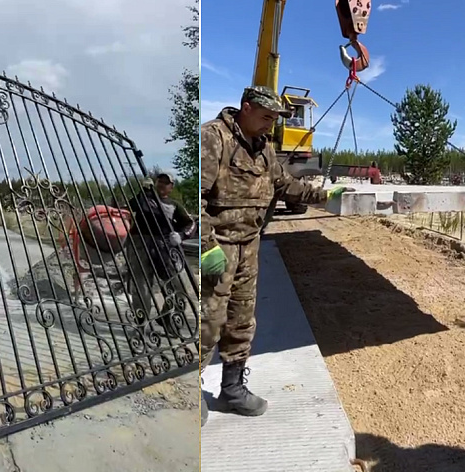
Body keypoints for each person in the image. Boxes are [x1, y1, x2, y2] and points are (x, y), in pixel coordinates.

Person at [199, 85, 353, 426]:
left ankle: (232, 388)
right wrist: (207, 245)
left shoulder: (265, 148)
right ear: (246, 108)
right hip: (218, 247)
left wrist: (325, 197)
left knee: (241, 319)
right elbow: (195, 196)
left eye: (275, 118)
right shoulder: (213, 138)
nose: (271, 124)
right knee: (208, 321)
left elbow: (286, 186)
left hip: (249, 245)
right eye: (267, 116)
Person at [125, 172, 195, 335]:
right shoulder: (143, 199)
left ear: (171, 187)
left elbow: (190, 224)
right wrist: (143, 192)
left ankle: (166, 317)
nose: (162, 185)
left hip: (164, 247)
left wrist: (181, 235)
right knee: (141, 287)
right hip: (140, 244)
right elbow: (128, 208)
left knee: (179, 285)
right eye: (160, 181)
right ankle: (141, 323)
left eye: (166, 182)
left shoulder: (174, 205)